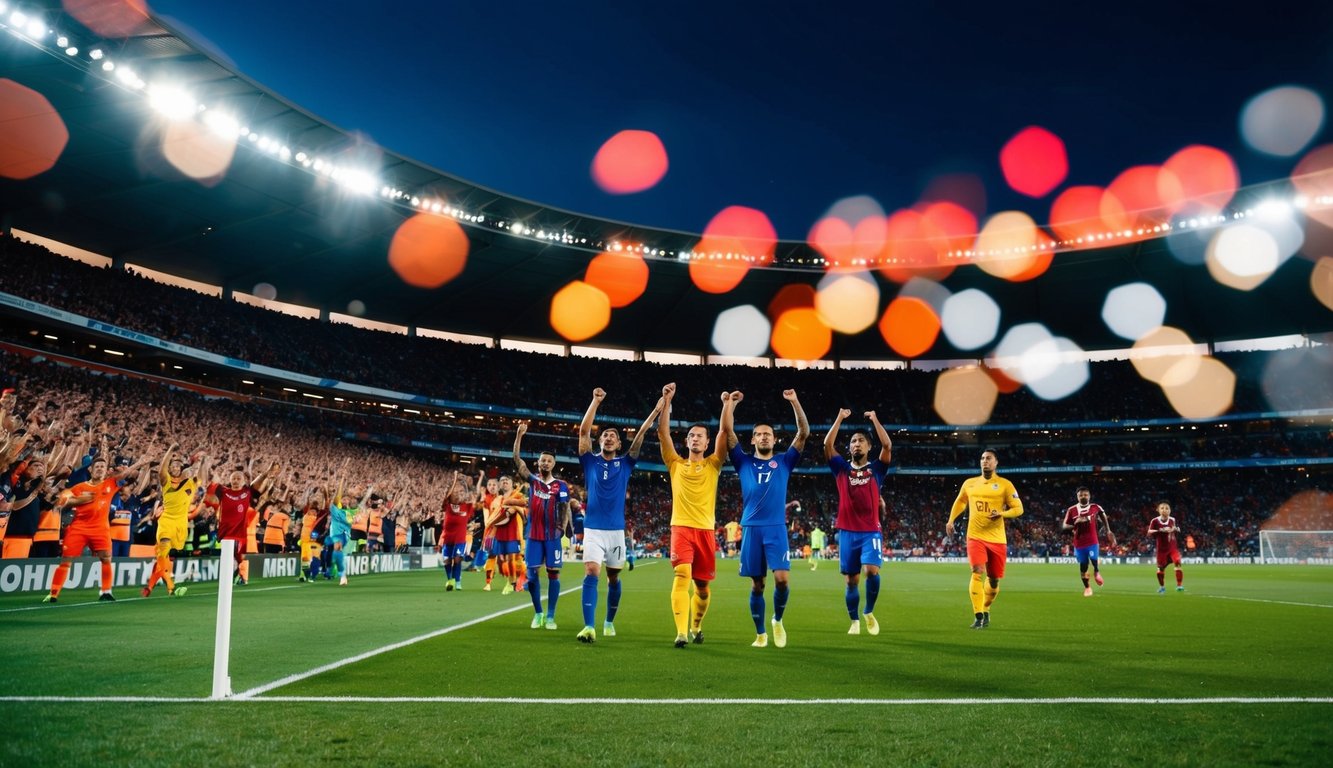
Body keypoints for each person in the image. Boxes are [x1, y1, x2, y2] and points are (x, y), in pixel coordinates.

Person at [574, 387, 660, 643]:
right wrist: (595, 402)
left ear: (619, 443)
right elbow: (583, 432)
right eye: (605, 436)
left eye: (613, 435)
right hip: (593, 529)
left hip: (616, 531)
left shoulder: (625, 463)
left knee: (613, 577)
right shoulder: (590, 461)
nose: (608, 438)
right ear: (600, 442)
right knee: (591, 571)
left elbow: (642, 433)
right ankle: (589, 626)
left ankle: (609, 620)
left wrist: (656, 410)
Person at [725, 389, 809, 649]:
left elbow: (803, 432)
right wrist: (731, 404)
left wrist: (794, 401)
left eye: (768, 434)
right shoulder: (742, 461)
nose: (763, 437)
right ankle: (760, 633)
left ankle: (777, 620)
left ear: (774, 440)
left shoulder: (784, 461)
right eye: (759, 434)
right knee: (758, 585)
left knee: (782, 579)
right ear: (753, 440)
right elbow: (727, 433)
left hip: (775, 529)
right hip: (751, 528)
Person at [659, 382, 735, 648]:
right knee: (681, 576)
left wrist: (727, 404)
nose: (695, 438)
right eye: (691, 435)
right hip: (680, 528)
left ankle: (696, 626)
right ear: (687, 440)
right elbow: (662, 432)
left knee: (702, 587)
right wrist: (667, 401)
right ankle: (680, 632)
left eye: (700, 435)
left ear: (706, 441)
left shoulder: (714, 463)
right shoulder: (675, 463)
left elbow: (725, 432)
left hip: (705, 530)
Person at [824, 408, 893, 635]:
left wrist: (874, 418)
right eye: (853, 441)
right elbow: (827, 446)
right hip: (847, 532)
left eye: (861, 441)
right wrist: (840, 418)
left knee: (871, 571)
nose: (856, 444)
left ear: (868, 447)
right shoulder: (841, 469)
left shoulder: (876, 469)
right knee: (851, 581)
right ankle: (854, 620)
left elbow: (887, 446)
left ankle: (868, 611)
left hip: (870, 531)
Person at [45, 454, 147, 603]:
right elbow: (62, 500)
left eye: (102, 467)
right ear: (91, 470)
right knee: (66, 560)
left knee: (106, 558)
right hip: (78, 528)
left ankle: (106, 591)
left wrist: (140, 462)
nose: (99, 469)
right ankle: (53, 593)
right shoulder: (80, 487)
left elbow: (124, 474)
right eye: (97, 466)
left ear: (105, 471)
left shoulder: (110, 483)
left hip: (100, 529)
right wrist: (80, 500)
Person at [946, 449, 1024, 629]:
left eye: (989, 458)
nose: (984, 461)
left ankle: (986, 608)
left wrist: (1002, 514)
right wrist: (951, 520)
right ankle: (978, 615)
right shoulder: (970, 483)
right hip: (975, 536)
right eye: (982, 458)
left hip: (997, 539)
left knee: (994, 579)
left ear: (996, 463)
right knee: (976, 570)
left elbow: (1019, 508)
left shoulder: (1005, 485)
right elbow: (960, 501)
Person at [513, 422, 571, 630]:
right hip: (534, 535)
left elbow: (564, 508)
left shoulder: (561, 485)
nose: (545, 463)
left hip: (552, 536)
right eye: (543, 460)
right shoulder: (533, 481)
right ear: (538, 463)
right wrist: (519, 435)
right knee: (532, 575)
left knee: (553, 574)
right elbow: (517, 461)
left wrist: (562, 529)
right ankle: (538, 613)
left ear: (553, 464)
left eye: (549, 460)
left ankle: (551, 616)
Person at [142, 443, 208, 598]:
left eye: (180, 466)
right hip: (166, 521)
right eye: (174, 465)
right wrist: (170, 451)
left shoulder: (191, 483)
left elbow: (203, 478)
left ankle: (149, 587)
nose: (177, 468)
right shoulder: (167, 481)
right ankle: (172, 588)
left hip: (180, 524)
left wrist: (204, 462)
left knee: (163, 558)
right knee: (163, 552)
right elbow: (161, 470)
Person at [1061, 486, 1116, 596]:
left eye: (1085, 495)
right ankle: (1087, 588)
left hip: (1092, 540)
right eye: (1080, 495)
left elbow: (1103, 516)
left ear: (1089, 496)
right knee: (1083, 566)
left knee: (1094, 558)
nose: (1083, 497)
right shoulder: (1071, 510)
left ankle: (1096, 571)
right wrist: (1076, 522)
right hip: (1079, 542)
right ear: (1077, 497)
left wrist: (1108, 530)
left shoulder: (1095, 507)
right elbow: (1064, 526)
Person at [485, 475, 525, 595]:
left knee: (511, 558)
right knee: (501, 562)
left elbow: (509, 514)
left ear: (512, 483)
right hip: (499, 533)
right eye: (502, 480)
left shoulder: (517, 496)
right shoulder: (498, 500)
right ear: (500, 485)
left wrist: (493, 524)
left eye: (507, 480)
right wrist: (491, 532)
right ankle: (518, 579)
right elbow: (492, 516)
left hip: (513, 532)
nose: (505, 482)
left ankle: (512, 583)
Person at [439, 471, 475, 591]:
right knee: (447, 560)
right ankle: (450, 579)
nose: (458, 494)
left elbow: (473, 495)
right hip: (447, 537)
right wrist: (454, 478)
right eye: (456, 492)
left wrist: (466, 484)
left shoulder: (467, 507)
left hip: (459, 538)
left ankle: (456, 580)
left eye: (460, 492)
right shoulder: (447, 505)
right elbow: (448, 493)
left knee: (457, 558)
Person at [1148, 501, 1185, 593]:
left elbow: (1176, 529)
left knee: (1178, 562)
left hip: (1172, 548)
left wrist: (1175, 529)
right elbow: (1149, 532)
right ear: (1158, 510)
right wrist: (1161, 530)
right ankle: (1162, 587)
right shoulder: (1155, 521)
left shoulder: (1172, 520)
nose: (1165, 510)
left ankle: (1179, 586)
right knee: (1160, 568)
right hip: (1161, 550)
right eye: (1162, 508)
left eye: (1167, 508)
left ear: (1170, 510)